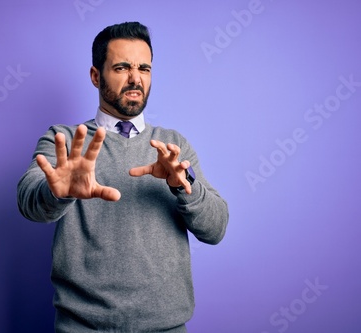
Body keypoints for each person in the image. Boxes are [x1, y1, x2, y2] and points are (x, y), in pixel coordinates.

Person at [17, 21, 229, 333]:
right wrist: (58, 192)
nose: (135, 78)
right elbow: (28, 200)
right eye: (121, 67)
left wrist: (184, 186)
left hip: (165, 327)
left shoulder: (173, 146)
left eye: (144, 68)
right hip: (83, 327)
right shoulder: (65, 140)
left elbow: (216, 229)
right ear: (95, 76)